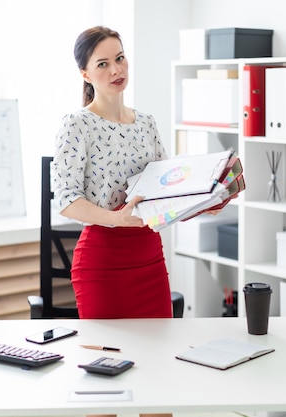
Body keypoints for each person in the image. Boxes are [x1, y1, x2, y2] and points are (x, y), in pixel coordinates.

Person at [51, 26, 174, 320]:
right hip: (103, 263)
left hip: (150, 258)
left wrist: (203, 201)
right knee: (108, 358)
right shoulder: (77, 124)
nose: (116, 70)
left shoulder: (146, 122)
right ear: (86, 74)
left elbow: (164, 187)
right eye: (102, 64)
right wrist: (116, 219)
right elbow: (66, 200)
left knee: (159, 356)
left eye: (120, 58)